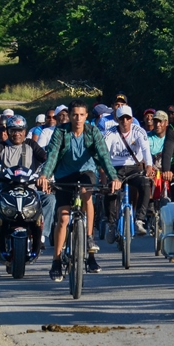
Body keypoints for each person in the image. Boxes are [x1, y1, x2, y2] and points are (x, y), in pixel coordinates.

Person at [38, 100, 121, 278]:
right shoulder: (61, 132)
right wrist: (45, 175)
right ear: (69, 115)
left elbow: (104, 156)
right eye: (74, 114)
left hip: (87, 171)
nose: (78, 118)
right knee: (63, 218)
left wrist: (114, 177)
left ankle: (89, 245)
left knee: (86, 193)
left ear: (86, 116)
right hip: (64, 174)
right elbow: (52, 155)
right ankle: (57, 261)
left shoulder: (93, 132)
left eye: (81, 115)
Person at [0, 116, 53, 244]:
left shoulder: (31, 144)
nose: (17, 134)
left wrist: (46, 173)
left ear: (25, 131)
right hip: (5, 189)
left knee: (50, 199)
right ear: (7, 131)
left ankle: (43, 233)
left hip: (30, 189)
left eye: (20, 130)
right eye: (13, 130)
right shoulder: (1, 146)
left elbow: (44, 158)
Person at [103, 106, 155, 239]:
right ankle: (111, 223)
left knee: (145, 184)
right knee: (110, 190)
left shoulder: (139, 132)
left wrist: (149, 166)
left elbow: (145, 150)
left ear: (132, 119)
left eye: (127, 118)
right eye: (121, 118)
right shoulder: (110, 133)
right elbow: (104, 153)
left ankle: (139, 220)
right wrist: (107, 172)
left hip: (134, 167)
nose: (124, 121)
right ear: (117, 119)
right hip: (115, 168)